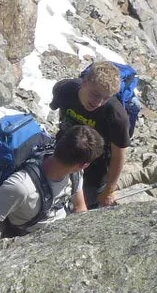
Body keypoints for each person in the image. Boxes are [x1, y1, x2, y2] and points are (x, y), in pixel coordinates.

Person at [0, 125, 104, 246]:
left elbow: (80, 207)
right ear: (84, 165)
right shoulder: (21, 187)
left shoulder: (75, 174)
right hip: (26, 244)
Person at [50, 60, 132, 209]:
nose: (98, 103)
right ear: (85, 82)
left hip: (94, 168)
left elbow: (119, 155)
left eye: (105, 98)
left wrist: (108, 190)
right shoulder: (65, 89)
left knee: (84, 205)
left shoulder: (116, 114)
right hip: (63, 151)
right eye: (95, 94)